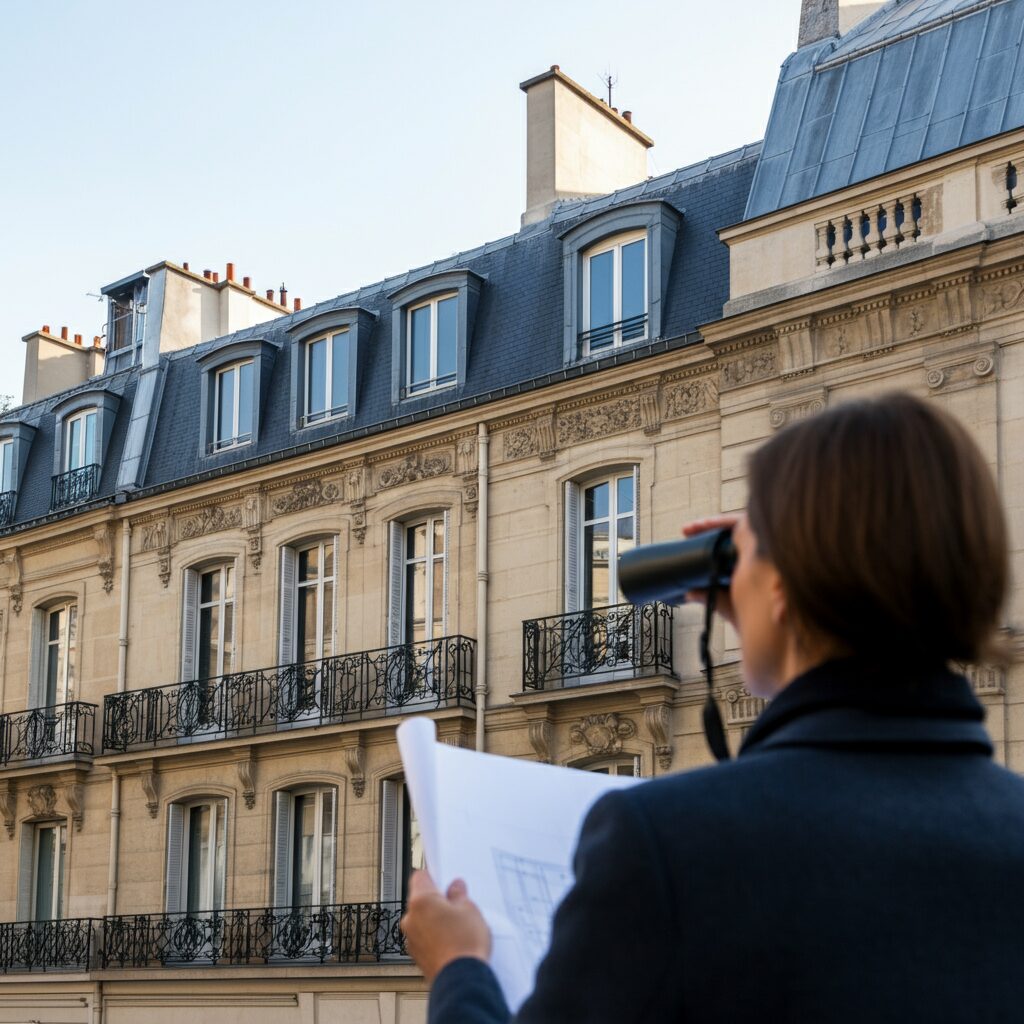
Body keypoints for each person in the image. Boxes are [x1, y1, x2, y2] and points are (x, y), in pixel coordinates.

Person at [401, 392, 1024, 1023]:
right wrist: (777, 594)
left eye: (746, 549)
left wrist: (459, 969)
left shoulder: (668, 847)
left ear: (780, 587)